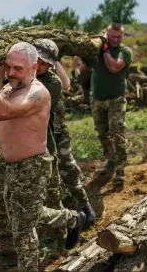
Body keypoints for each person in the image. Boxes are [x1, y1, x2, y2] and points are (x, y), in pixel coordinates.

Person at [0, 42, 86, 272]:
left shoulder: (38, 92)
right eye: (8, 67)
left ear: (34, 67)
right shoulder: (10, 87)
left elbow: (4, 111)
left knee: (25, 227)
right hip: (6, 162)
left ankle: (29, 263)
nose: (11, 73)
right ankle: (70, 219)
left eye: (17, 68)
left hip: (31, 164)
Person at [34, 39, 96, 227]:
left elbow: (67, 83)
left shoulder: (54, 80)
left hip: (58, 134)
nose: (38, 65)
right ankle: (60, 216)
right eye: (36, 60)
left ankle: (85, 208)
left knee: (69, 171)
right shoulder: (27, 77)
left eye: (43, 62)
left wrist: (55, 57)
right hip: (39, 138)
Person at [83, 23, 132, 190]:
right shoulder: (98, 51)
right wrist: (87, 53)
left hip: (116, 100)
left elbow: (113, 67)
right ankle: (110, 161)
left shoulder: (124, 52)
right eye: (112, 37)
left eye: (118, 37)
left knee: (117, 134)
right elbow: (83, 68)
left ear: (122, 37)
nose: (115, 40)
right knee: (103, 133)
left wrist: (105, 51)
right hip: (97, 99)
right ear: (106, 36)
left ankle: (120, 171)